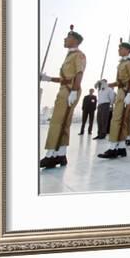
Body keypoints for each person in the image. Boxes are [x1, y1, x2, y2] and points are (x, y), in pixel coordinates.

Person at [39, 25, 86, 169]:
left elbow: (79, 74)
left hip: (70, 90)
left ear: (75, 40)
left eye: (68, 38)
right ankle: (61, 155)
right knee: (64, 122)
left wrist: (74, 90)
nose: (65, 39)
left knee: (57, 121)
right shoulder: (70, 55)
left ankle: (50, 156)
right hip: (66, 88)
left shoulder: (78, 55)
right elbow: (65, 77)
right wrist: (48, 78)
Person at [98, 40, 130, 159]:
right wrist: (107, 85)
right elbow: (120, 82)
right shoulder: (121, 63)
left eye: (121, 48)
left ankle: (112, 148)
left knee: (117, 119)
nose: (119, 50)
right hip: (121, 91)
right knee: (121, 121)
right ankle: (121, 147)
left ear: (127, 50)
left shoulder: (129, 63)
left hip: (125, 92)